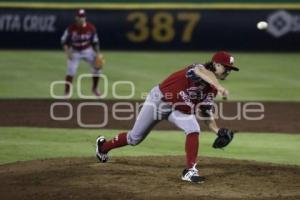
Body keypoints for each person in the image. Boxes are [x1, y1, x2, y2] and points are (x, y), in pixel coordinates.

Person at [96, 51, 239, 183]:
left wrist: (217, 131)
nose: (228, 71)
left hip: (178, 111)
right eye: (226, 68)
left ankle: (190, 170)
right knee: (134, 138)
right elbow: (202, 72)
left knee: (193, 128)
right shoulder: (198, 68)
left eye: (230, 69)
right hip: (158, 102)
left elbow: (205, 112)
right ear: (216, 64)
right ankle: (103, 147)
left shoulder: (211, 90)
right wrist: (219, 87)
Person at [61, 9, 104, 98]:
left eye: (83, 17)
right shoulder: (71, 29)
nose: (81, 19)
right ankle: (67, 92)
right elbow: (64, 41)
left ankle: (95, 89)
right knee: (71, 71)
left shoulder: (91, 28)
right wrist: (67, 52)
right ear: (76, 18)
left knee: (98, 68)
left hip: (87, 50)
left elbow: (95, 42)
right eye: (79, 17)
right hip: (74, 50)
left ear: (85, 18)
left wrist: (98, 54)